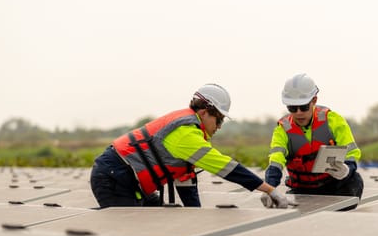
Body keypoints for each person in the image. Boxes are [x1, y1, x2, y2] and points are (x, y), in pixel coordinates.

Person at [90, 83, 292, 209]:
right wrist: (269, 190)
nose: (219, 126)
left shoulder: (191, 132)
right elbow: (226, 167)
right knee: (127, 230)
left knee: (155, 219)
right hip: (114, 175)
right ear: (204, 112)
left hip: (125, 177)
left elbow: (186, 183)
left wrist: (195, 217)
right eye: (219, 119)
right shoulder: (186, 133)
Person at [260, 73, 364, 211]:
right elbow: (276, 162)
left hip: (337, 186)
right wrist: (269, 189)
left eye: (303, 107)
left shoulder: (333, 120)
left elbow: (352, 152)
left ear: (314, 100)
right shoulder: (283, 129)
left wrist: (347, 169)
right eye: (292, 108)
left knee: (353, 184)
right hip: (303, 189)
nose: (298, 113)